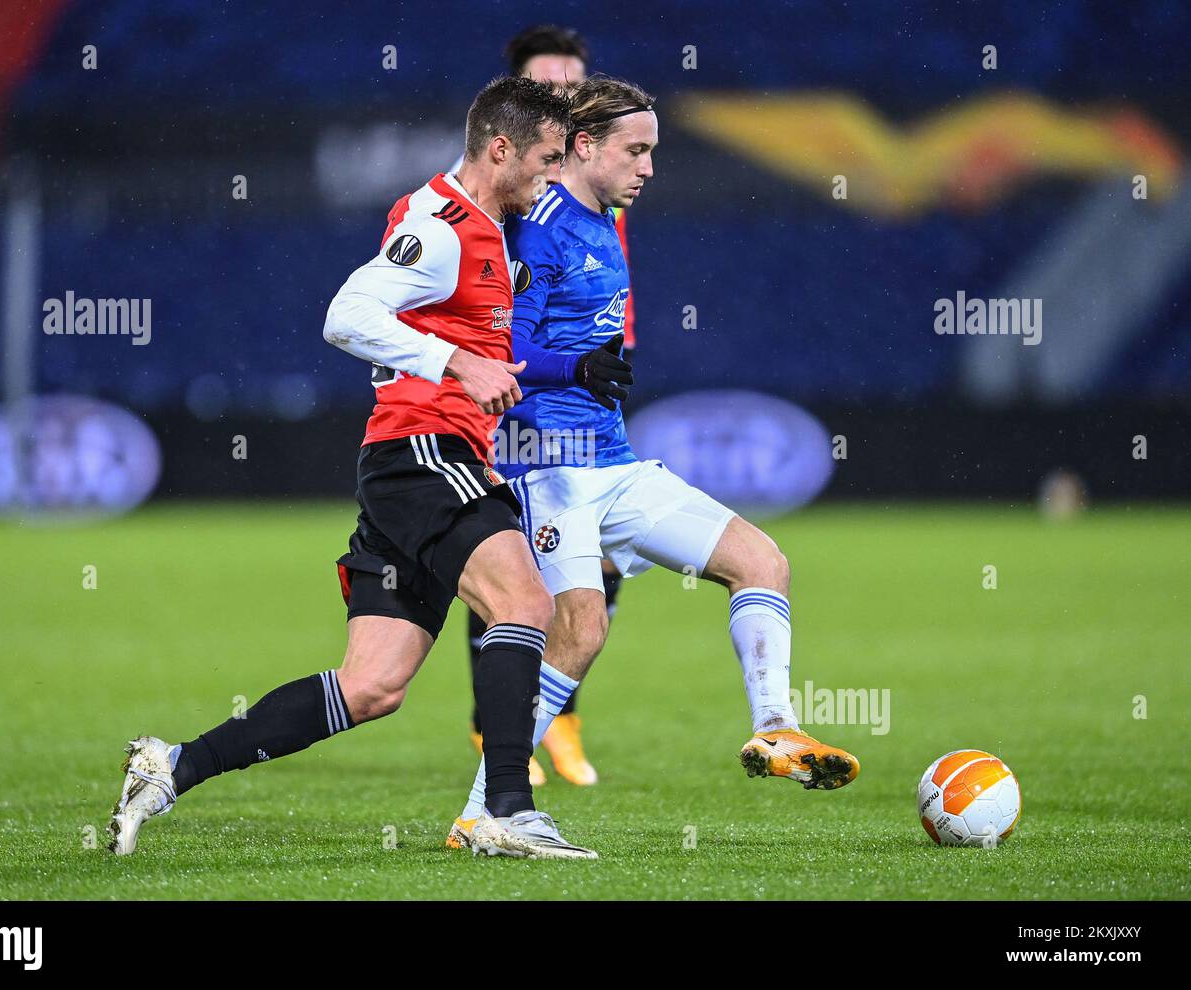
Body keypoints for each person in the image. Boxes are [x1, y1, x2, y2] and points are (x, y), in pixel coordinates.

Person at [106, 76, 595, 860]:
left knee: (371, 687)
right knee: (525, 602)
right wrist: (458, 364)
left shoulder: (489, 231)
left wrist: (552, 370)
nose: (549, 175)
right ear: (499, 148)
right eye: (543, 158)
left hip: (414, 462)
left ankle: (171, 766)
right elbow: (345, 316)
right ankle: (506, 809)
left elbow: (474, 348)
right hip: (424, 452)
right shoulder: (444, 225)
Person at [452, 76, 860, 857]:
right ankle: (484, 809)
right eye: (635, 151)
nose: (648, 168)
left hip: (613, 459)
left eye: (653, 152)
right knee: (580, 627)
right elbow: (498, 352)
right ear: (583, 146)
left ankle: (775, 732)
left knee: (761, 561)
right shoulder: (538, 229)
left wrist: (585, 373)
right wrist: (572, 368)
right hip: (546, 464)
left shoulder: (604, 219)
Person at [463, 24, 637, 790]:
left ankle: (556, 715)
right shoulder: (506, 183)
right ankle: (495, 726)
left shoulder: (601, 174)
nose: (565, 93)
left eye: (575, 80)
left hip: (586, 384)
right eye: (549, 83)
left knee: (598, 564)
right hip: (516, 387)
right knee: (509, 566)